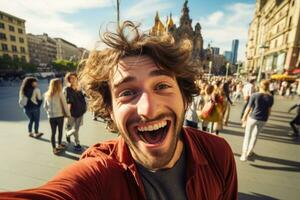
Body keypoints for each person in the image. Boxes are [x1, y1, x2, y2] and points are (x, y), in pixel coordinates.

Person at [0, 21, 237, 200]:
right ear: (110, 110)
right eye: (126, 92)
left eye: (162, 86)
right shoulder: (100, 173)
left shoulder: (218, 154)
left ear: (185, 98)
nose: (148, 108)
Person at [240, 80, 274, 161]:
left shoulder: (254, 95)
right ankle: (250, 151)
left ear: (260, 86)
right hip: (263, 119)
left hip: (253, 118)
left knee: (247, 135)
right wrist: (266, 117)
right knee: (255, 136)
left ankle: (244, 154)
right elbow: (269, 110)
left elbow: (248, 108)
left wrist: (244, 118)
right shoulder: (270, 97)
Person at [44, 78, 71, 154]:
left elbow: (45, 106)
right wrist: (68, 114)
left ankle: (54, 149)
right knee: (60, 131)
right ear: (58, 85)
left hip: (51, 117)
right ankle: (59, 145)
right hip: (59, 116)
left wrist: (49, 113)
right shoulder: (60, 93)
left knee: (53, 133)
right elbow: (65, 105)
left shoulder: (47, 94)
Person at [64, 72, 87, 152]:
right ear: (69, 80)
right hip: (72, 113)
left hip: (81, 112)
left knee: (76, 129)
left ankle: (75, 141)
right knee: (74, 129)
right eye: (71, 78)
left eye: (74, 78)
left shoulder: (80, 88)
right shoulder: (67, 89)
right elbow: (68, 102)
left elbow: (85, 97)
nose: (73, 79)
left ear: (77, 78)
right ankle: (75, 142)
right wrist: (67, 114)